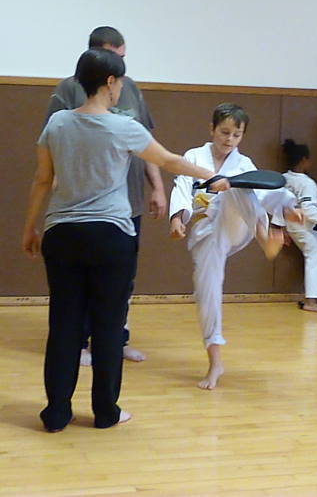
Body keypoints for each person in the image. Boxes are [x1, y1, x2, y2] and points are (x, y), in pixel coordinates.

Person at [22, 49, 227, 431]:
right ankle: (105, 412)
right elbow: (169, 161)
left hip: (62, 235)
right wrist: (211, 176)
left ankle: (56, 413)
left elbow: (42, 179)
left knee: (64, 324)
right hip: (111, 236)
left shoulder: (57, 123)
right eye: (120, 82)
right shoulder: (124, 127)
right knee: (108, 326)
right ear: (110, 83)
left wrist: (29, 227)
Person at [45, 26, 163, 364]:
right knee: (82, 282)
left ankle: (113, 340)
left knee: (123, 279)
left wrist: (157, 186)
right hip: (84, 203)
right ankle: (80, 342)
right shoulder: (68, 91)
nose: (122, 67)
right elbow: (52, 143)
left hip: (127, 202)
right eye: (117, 58)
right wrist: (57, 181)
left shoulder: (131, 88)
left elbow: (149, 144)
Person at [169, 103, 302, 390]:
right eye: (224, 132)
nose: (229, 140)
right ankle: (215, 362)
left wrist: (288, 207)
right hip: (206, 232)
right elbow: (181, 187)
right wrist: (177, 218)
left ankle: (265, 240)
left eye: (236, 135)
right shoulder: (194, 157)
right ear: (212, 129)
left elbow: (267, 192)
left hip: (238, 225)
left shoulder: (243, 163)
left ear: (242, 136)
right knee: (207, 294)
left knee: (237, 185)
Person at [280, 139, 317, 313]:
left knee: (316, 257)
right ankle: (310, 301)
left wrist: (282, 228)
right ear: (304, 160)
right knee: (314, 257)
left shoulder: (284, 179)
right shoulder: (307, 183)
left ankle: (316, 294)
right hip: (303, 226)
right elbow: (307, 209)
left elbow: (278, 205)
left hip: (291, 224)